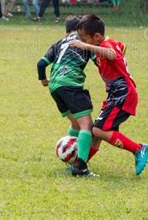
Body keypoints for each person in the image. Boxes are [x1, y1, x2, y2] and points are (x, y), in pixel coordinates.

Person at [68, 14, 148, 176]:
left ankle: (139, 149)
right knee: (96, 132)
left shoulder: (106, 45)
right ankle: (80, 166)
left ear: (97, 37)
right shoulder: (109, 43)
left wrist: (87, 47)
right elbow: (122, 46)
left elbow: (112, 54)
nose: (84, 42)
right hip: (116, 95)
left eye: (85, 39)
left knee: (98, 130)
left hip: (123, 94)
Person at [37, 15, 96, 177]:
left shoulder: (59, 43)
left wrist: (43, 80)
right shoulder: (85, 41)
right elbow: (99, 60)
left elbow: (41, 64)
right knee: (86, 126)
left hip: (55, 86)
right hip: (70, 85)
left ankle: (71, 156)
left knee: (76, 124)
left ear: (66, 31)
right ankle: (81, 168)